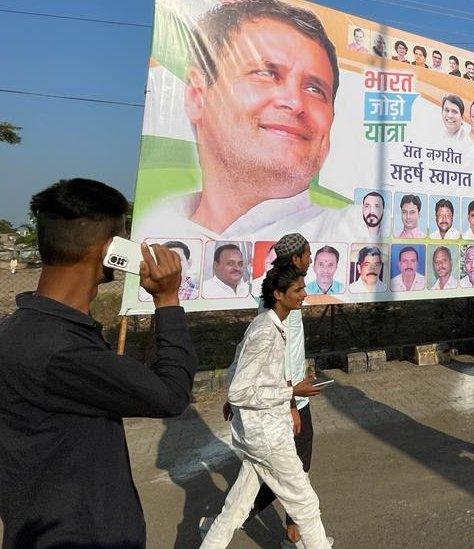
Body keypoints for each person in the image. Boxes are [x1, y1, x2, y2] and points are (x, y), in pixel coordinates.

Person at [0, 178, 197, 547]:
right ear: (110, 249)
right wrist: (168, 300)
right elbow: (171, 395)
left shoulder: (21, 329)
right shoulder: (62, 351)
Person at [138, 0, 340, 241]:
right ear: (198, 96)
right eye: (266, 73)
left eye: (315, 89)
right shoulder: (151, 231)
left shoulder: (355, 235)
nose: (295, 102)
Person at [200, 265, 330, 548]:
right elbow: (240, 390)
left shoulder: (266, 325)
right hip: (268, 437)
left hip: (256, 436)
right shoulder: (265, 332)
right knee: (306, 505)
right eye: (298, 290)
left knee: (235, 508)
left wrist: (235, 402)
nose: (304, 295)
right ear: (278, 294)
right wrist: (292, 391)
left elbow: (235, 371)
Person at [224, 234, 319, 546]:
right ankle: (293, 537)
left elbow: (248, 352)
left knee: (271, 474)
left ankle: (222, 527)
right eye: (307, 254)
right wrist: (291, 402)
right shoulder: (285, 299)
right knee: (292, 474)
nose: (310, 257)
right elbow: (282, 357)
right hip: (288, 402)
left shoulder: (279, 290)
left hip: (283, 400)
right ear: (296, 259)